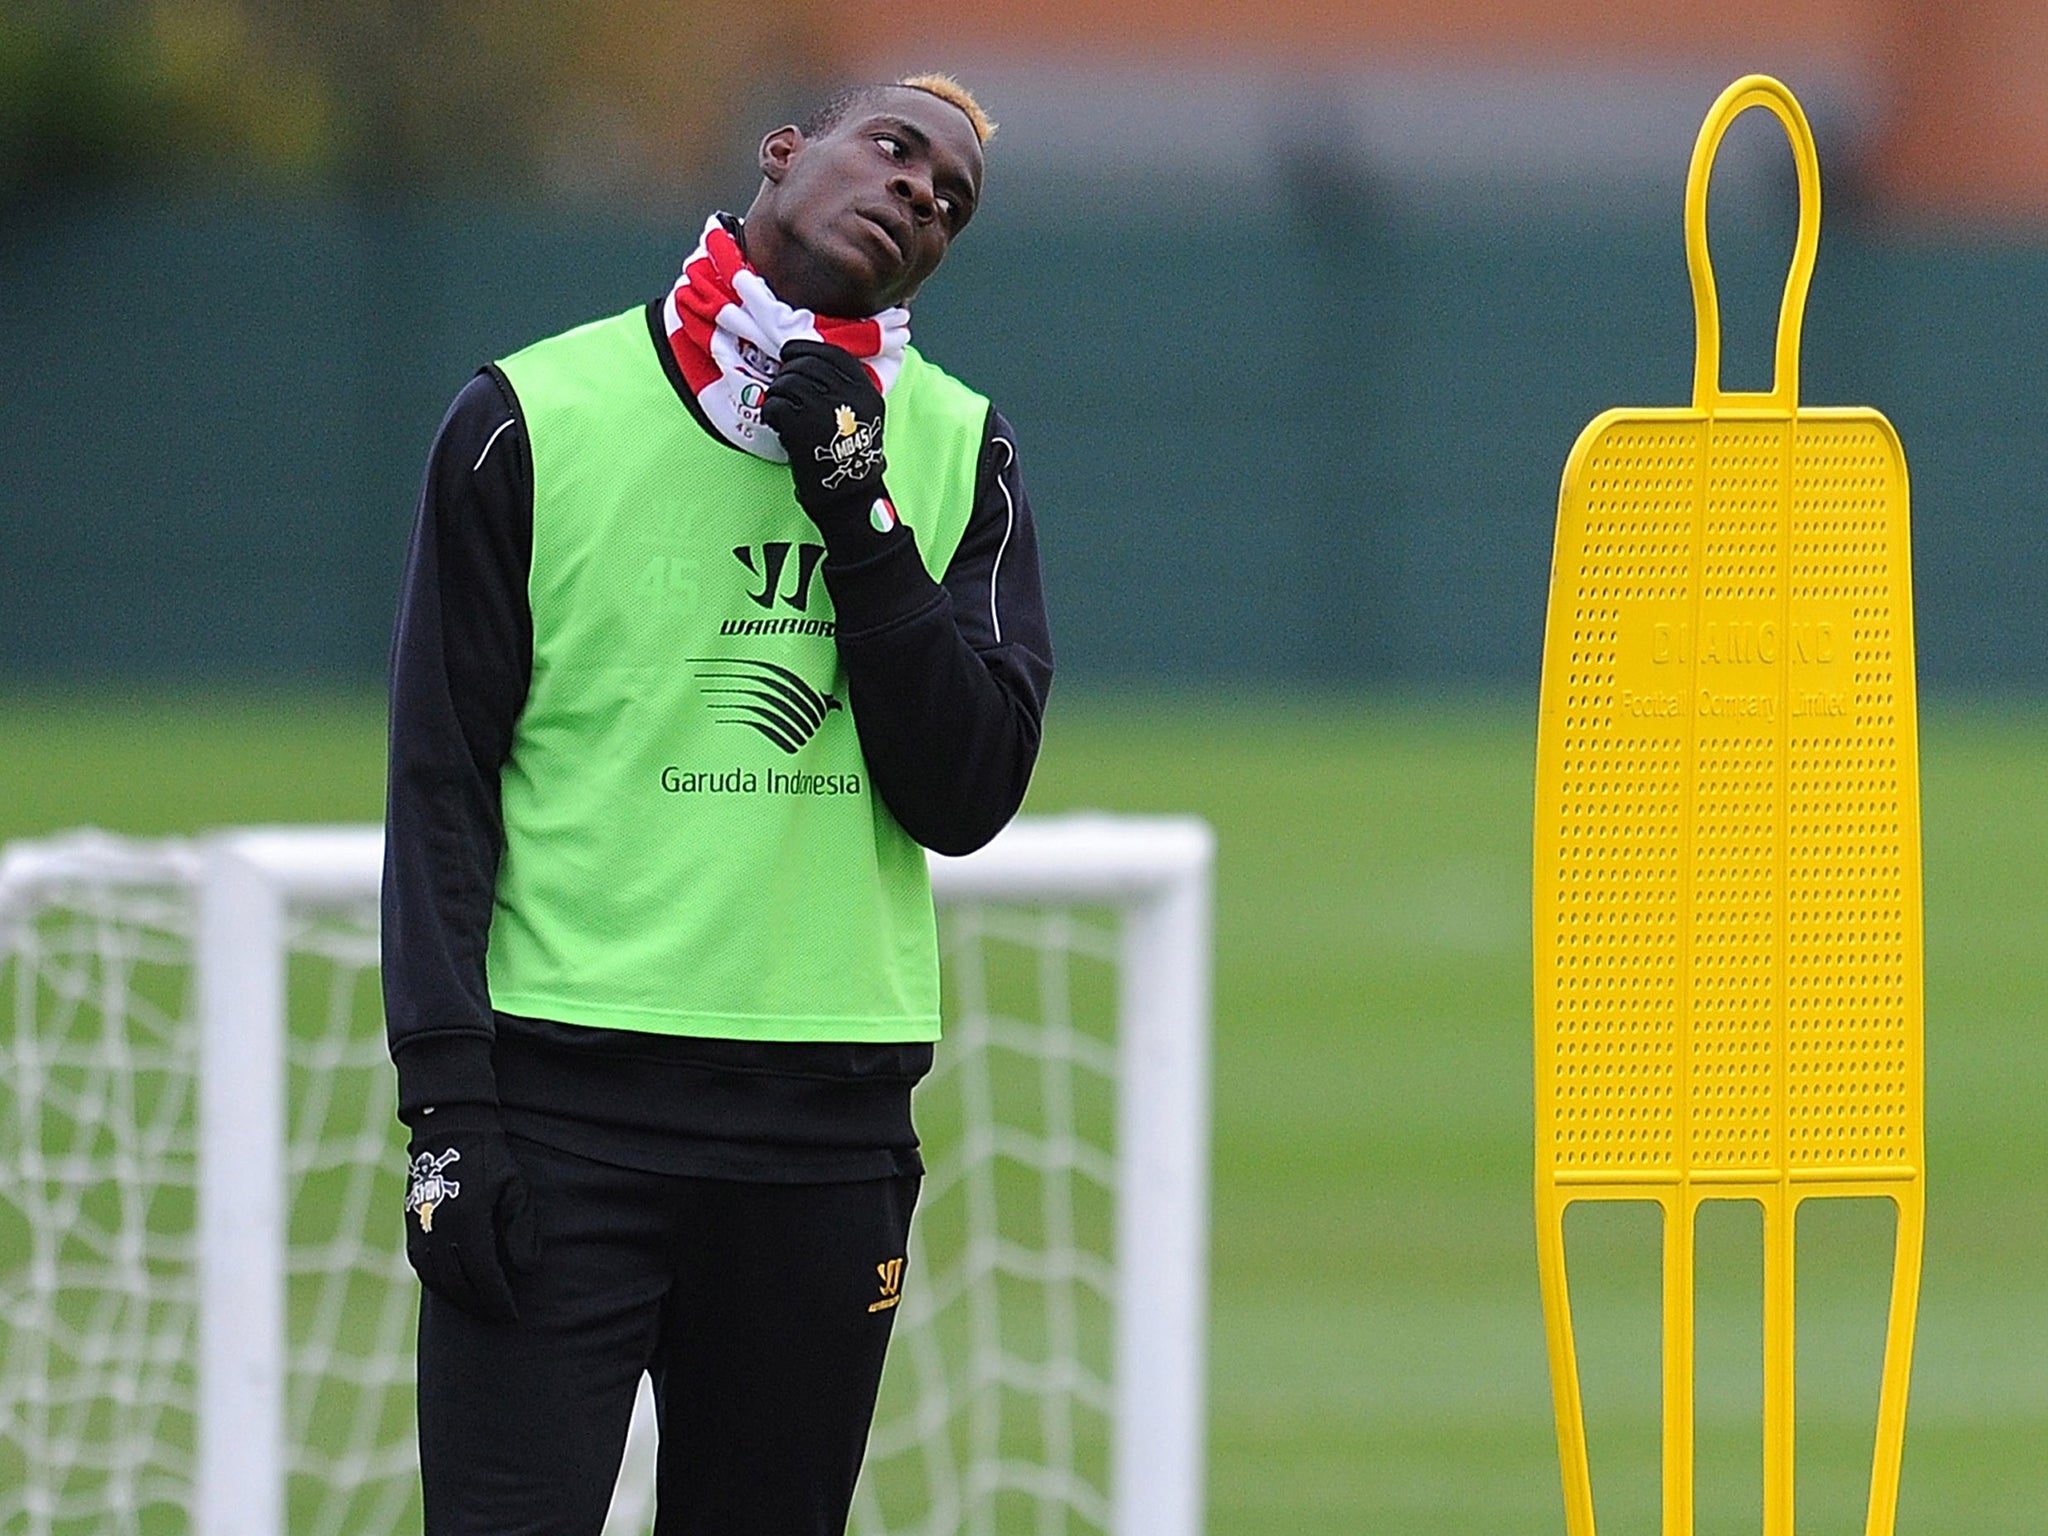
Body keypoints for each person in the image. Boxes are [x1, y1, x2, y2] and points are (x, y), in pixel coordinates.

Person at [381, 73, 1051, 1535]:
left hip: (824, 1135)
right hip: (558, 1123)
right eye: (893, 151)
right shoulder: (527, 418)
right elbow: (439, 791)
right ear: (787, 151)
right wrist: (444, 1109)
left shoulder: (951, 445)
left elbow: (970, 790)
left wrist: (859, 509)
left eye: (950, 204)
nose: (918, 198)